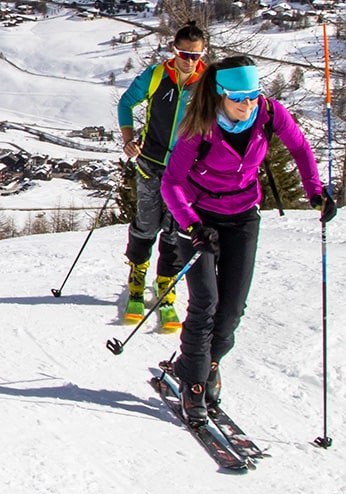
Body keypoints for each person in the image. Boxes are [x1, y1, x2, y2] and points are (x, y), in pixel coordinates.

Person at [162, 56, 338, 426]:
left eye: (254, 95)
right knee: (205, 302)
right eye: (239, 97)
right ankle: (193, 385)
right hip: (196, 217)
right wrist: (193, 226)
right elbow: (172, 184)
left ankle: (205, 364)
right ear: (220, 94)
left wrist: (315, 191)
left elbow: (301, 148)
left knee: (231, 309)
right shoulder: (199, 127)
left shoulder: (269, 114)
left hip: (242, 215)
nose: (247, 104)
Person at [114, 22, 208, 332]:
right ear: (174, 50)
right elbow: (126, 103)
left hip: (185, 171)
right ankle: (137, 283)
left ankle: (166, 287)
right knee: (147, 222)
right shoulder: (157, 75)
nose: (190, 61)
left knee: (175, 229)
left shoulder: (207, 84)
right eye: (184, 54)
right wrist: (129, 138)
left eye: (196, 55)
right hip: (151, 162)